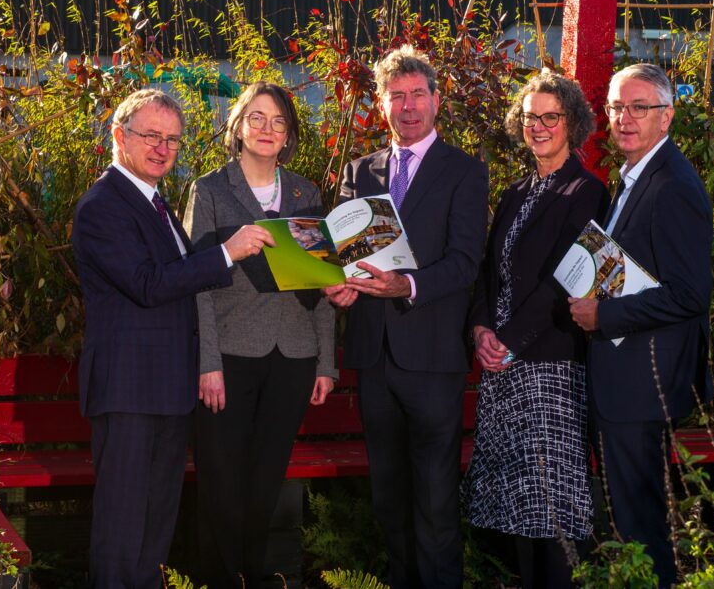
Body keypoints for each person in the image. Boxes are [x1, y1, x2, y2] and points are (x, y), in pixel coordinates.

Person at [72, 88, 274, 589]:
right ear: (119, 136)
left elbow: (179, 282)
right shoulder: (103, 206)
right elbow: (148, 284)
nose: (162, 148)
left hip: (165, 391)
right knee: (122, 534)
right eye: (151, 137)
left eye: (173, 140)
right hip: (129, 392)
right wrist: (225, 254)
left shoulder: (155, 202)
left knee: (153, 533)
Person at [324, 45, 489, 589]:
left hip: (433, 357)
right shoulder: (358, 171)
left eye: (418, 94)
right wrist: (340, 285)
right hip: (374, 357)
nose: (409, 106)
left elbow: (466, 262)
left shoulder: (465, 172)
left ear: (436, 100)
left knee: (436, 499)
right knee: (389, 494)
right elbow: (343, 255)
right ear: (381, 103)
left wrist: (409, 284)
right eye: (397, 96)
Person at [184, 82, 337, 588]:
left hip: (293, 354)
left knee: (266, 477)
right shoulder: (209, 190)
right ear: (238, 125)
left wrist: (325, 362)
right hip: (229, 355)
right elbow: (198, 287)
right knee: (222, 480)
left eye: (277, 121)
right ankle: (220, 579)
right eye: (256, 118)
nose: (267, 129)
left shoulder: (304, 193)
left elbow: (320, 280)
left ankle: (253, 574)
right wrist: (207, 362)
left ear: (289, 133)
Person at [463, 72, 610, 589]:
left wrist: (509, 339)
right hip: (502, 368)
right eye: (531, 117)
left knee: (552, 506)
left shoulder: (587, 191)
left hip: (549, 365)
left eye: (551, 117)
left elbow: (566, 276)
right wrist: (481, 327)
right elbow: (487, 269)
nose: (539, 126)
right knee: (515, 503)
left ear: (572, 123)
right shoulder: (515, 191)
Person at [569, 63, 714, 588]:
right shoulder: (634, 178)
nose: (624, 118)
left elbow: (690, 294)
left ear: (666, 117)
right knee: (629, 526)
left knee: (643, 531)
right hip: (623, 383)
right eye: (615, 107)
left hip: (643, 386)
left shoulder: (672, 184)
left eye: (639, 107)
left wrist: (602, 314)